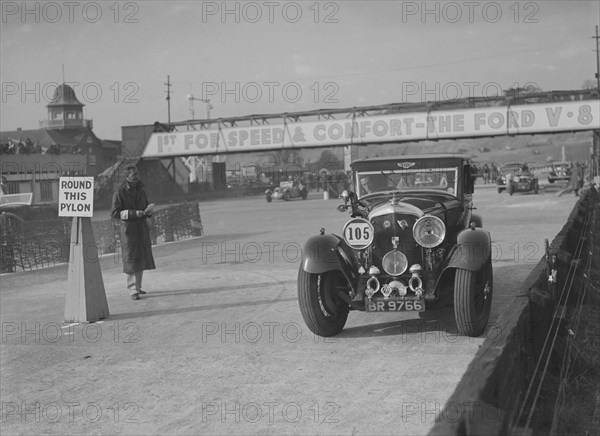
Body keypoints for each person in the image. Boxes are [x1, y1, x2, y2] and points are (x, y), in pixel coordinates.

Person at [111, 165, 156, 300]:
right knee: (131, 259)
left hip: (141, 227)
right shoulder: (119, 192)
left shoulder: (141, 190)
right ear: (127, 177)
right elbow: (114, 213)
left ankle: (138, 287)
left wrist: (148, 212)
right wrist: (135, 213)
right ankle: (132, 290)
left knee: (141, 256)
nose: (137, 178)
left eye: (137, 175)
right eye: (134, 176)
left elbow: (145, 205)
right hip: (128, 230)